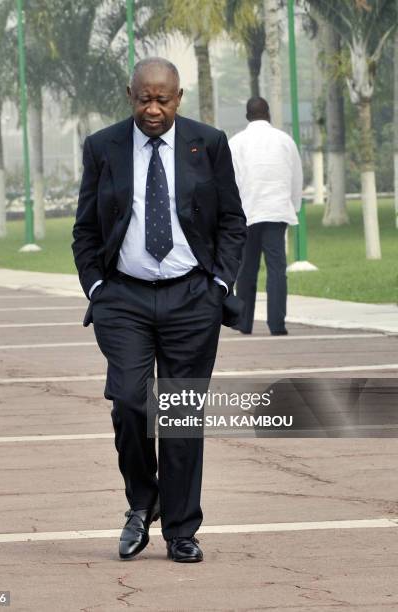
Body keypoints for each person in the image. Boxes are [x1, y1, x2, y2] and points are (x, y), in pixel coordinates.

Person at [72, 57, 246, 563]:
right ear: (130, 94)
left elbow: (233, 219)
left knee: (180, 414)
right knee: (128, 401)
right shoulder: (102, 146)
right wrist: (97, 287)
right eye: (143, 98)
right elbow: (85, 228)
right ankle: (140, 500)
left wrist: (217, 283)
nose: (152, 109)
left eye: (162, 100)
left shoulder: (208, 143)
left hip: (191, 296)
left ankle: (181, 529)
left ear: (179, 96)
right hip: (123, 297)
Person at [229, 97, 303, 336]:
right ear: (268, 113)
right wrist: (293, 205)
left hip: (248, 213)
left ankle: (244, 323)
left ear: (247, 116)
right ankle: (277, 325)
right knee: (276, 269)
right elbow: (296, 178)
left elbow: (232, 181)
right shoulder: (285, 141)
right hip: (276, 211)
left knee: (247, 270)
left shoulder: (237, 142)